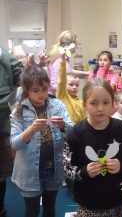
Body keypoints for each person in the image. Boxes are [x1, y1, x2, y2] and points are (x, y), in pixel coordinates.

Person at [63, 78, 122, 217]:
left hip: (116, 200)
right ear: (84, 104)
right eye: (93, 103)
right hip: (87, 201)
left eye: (105, 102)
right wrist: (84, 172)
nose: (100, 108)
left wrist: (121, 166)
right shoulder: (76, 133)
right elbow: (67, 168)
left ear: (113, 104)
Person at [10, 65, 73, 217]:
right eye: (35, 90)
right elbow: (14, 143)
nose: (41, 94)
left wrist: (63, 124)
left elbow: (73, 131)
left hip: (54, 169)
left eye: (44, 89)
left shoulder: (57, 105)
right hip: (30, 172)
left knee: (50, 208)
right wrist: (30, 130)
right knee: (31, 211)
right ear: (27, 90)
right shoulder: (19, 111)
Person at [0, 47, 24, 217]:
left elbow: (21, 74)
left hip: (1, 125)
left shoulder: (3, 55)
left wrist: (33, 69)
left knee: (0, 175)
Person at [47, 30, 89, 97]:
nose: (76, 49)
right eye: (75, 46)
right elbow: (54, 86)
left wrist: (86, 73)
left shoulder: (64, 60)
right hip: (56, 97)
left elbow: (69, 71)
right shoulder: (59, 61)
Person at [56, 52, 85, 124]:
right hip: (66, 132)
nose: (74, 87)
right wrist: (63, 62)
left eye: (77, 85)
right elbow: (61, 81)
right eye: (71, 85)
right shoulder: (63, 96)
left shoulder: (81, 101)